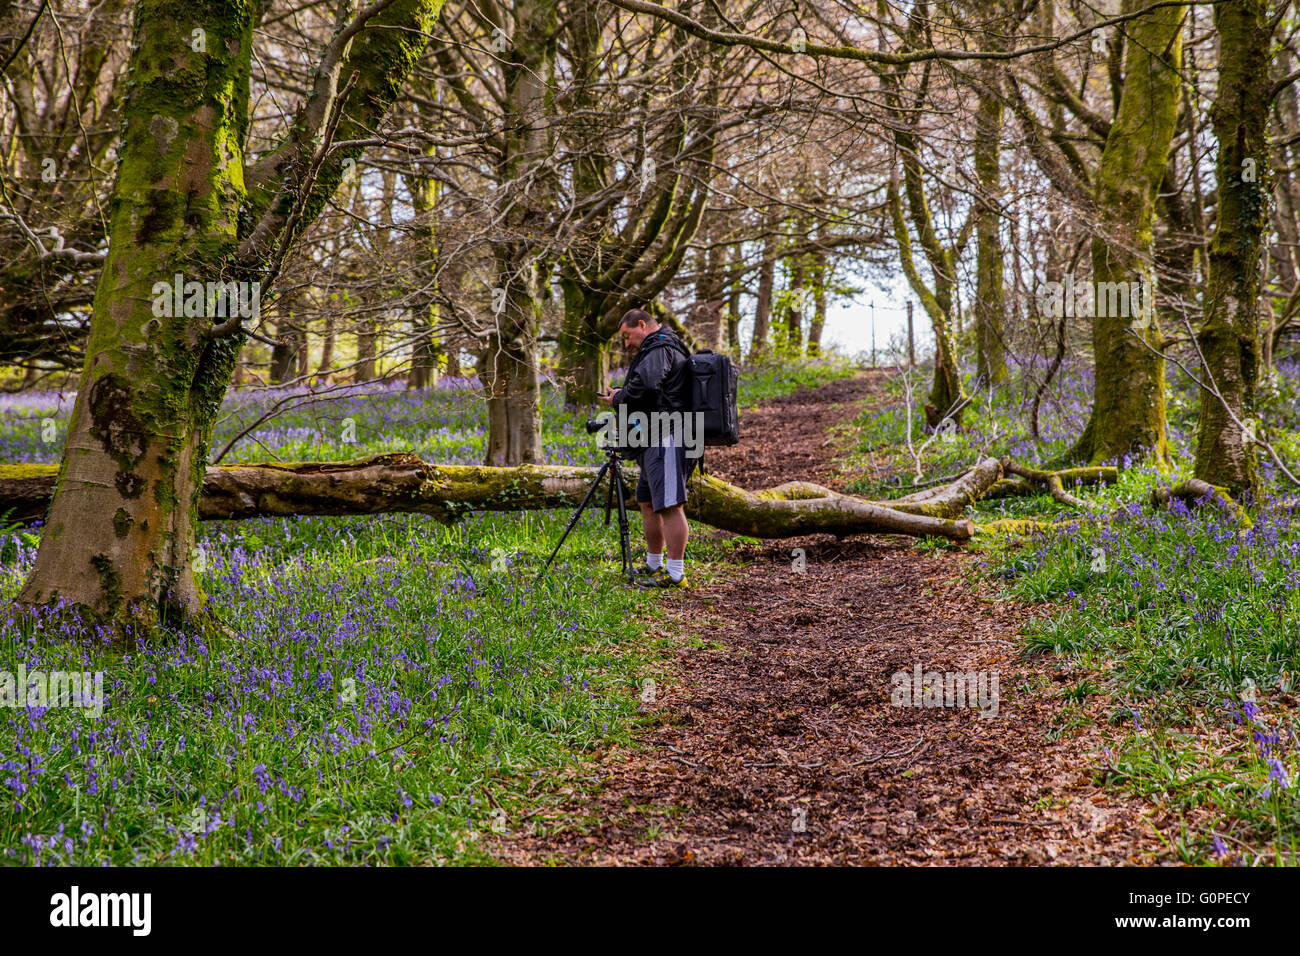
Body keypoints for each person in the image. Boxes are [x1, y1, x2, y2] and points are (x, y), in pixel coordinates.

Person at [596, 308, 693, 588]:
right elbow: (651, 388)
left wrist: (618, 398)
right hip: (653, 436)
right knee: (647, 500)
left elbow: (648, 385)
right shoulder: (657, 347)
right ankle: (654, 564)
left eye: (627, 336)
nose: (626, 344)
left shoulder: (661, 345)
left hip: (669, 434)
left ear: (642, 324)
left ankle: (675, 573)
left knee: (670, 504)